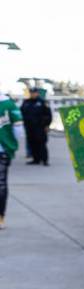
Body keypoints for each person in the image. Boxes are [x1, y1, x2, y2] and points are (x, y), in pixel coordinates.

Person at [0, 93, 21, 229]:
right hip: (2, 150)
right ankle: (0, 218)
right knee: (1, 183)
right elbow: (18, 129)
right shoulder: (9, 105)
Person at [20, 87, 51, 166]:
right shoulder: (26, 102)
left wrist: (47, 125)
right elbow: (21, 113)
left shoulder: (42, 102)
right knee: (32, 143)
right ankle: (35, 159)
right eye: (31, 93)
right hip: (29, 127)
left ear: (37, 93)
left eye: (34, 92)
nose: (33, 94)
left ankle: (45, 160)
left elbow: (48, 115)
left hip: (40, 127)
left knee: (41, 143)